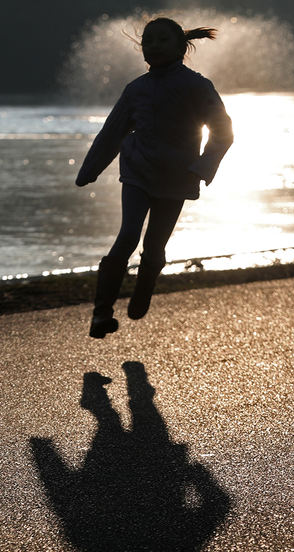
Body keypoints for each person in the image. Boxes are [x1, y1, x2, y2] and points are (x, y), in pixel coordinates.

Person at [75, 17, 233, 338]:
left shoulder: (197, 85)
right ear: (142, 50)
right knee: (128, 235)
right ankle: (101, 312)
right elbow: (112, 133)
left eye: (162, 40)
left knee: (155, 244)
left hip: (178, 176)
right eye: (148, 41)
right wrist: (88, 171)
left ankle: (145, 284)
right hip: (137, 172)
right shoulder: (136, 89)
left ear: (181, 47)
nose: (154, 46)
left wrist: (203, 167)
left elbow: (223, 131)